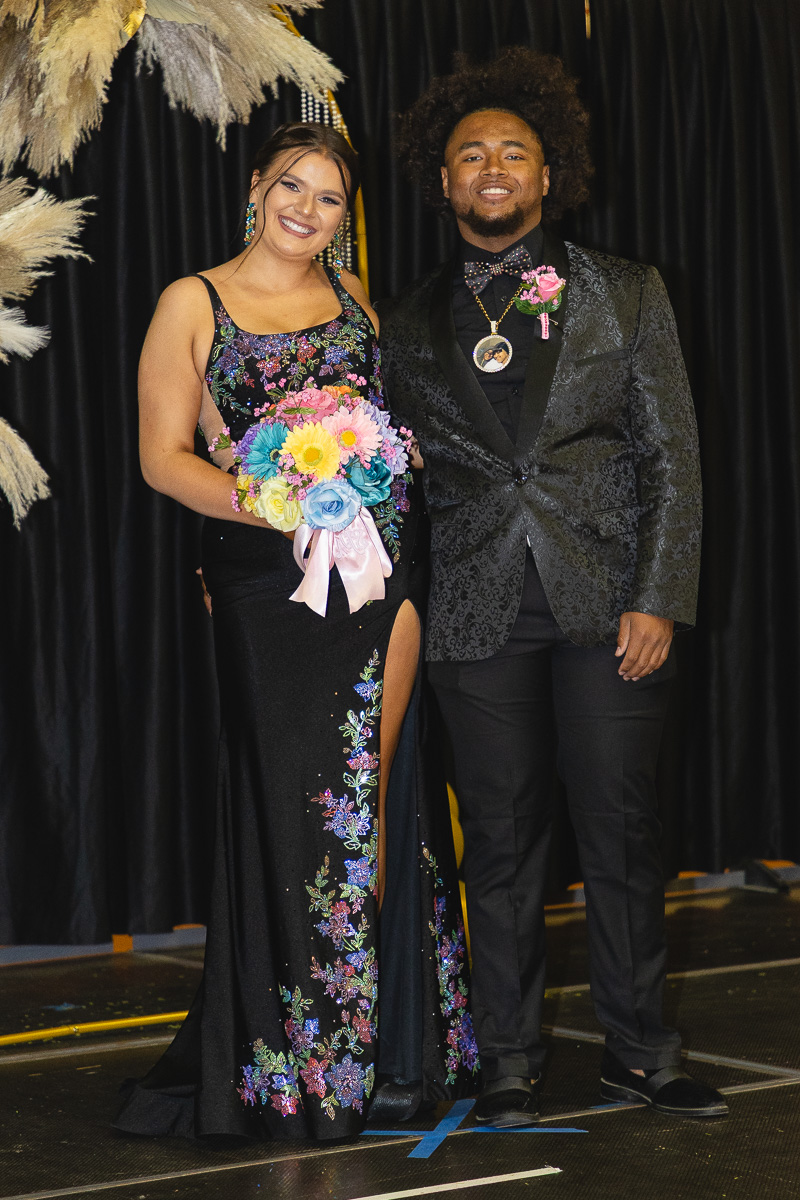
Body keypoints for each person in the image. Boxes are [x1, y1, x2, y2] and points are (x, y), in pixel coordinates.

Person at [379, 48, 728, 1127]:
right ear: (441, 180)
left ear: (548, 172)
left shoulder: (625, 290)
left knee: (621, 831)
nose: (491, 168)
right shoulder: (404, 320)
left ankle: (641, 1052)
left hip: (610, 609)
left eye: (513, 152)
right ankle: (508, 1061)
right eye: (469, 154)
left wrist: (659, 595)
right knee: (499, 841)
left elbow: (671, 454)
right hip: (472, 616)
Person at [113, 122, 478, 1143]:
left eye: (327, 198)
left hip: (380, 570)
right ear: (255, 188)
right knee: (288, 807)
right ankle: (297, 1058)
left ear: (342, 217)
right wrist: (274, 503)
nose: (305, 210)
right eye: (291, 187)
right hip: (264, 577)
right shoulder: (193, 301)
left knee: (369, 794)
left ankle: (385, 1051)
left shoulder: (355, 298)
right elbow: (163, 458)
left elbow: (392, 429)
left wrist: (375, 473)